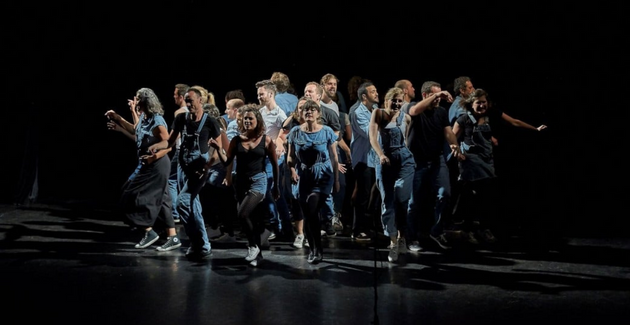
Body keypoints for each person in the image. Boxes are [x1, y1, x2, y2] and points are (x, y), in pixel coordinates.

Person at [148, 87, 223, 261]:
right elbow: (171, 141)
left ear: (200, 101)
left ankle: (196, 241)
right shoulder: (181, 118)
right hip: (183, 166)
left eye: (191, 100)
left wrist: (207, 166)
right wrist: (157, 146)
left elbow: (219, 151)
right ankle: (202, 245)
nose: (188, 104)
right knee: (193, 206)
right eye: (186, 101)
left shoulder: (210, 121)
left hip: (199, 168)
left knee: (182, 202)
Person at [105, 88, 181, 252]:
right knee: (164, 202)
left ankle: (148, 231)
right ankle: (172, 237)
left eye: (138, 98)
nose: (135, 100)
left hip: (157, 164)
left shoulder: (157, 120)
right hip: (148, 163)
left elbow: (168, 144)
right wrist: (117, 118)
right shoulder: (145, 118)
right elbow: (135, 130)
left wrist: (154, 156)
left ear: (146, 101)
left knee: (129, 195)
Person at [210, 104, 280, 267]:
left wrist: (276, 186)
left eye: (251, 118)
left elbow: (275, 165)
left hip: (258, 181)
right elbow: (227, 161)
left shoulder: (266, 140)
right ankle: (258, 254)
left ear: (258, 120)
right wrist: (218, 148)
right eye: (245, 118)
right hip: (241, 182)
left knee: (242, 214)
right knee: (252, 218)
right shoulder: (237, 140)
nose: (247, 121)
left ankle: (253, 246)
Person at [405, 81, 462, 251]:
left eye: (440, 97)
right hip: (416, 162)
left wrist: (454, 144)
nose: (439, 100)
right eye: (435, 96)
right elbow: (414, 111)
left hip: (437, 160)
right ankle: (411, 238)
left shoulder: (441, 111)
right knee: (413, 202)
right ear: (425, 95)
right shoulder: (415, 106)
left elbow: (448, 132)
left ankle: (435, 231)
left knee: (445, 194)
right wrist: (438, 95)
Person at [287, 99, 339, 264]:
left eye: (312, 110)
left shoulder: (326, 131)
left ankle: (317, 249)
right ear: (301, 113)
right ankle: (314, 249)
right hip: (304, 176)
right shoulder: (295, 132)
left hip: (322, 175)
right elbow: (291, 156)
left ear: (318, 113)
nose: (308, 112)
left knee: (312, 207)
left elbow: (334, 157)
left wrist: (336, 179)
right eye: (305, 110)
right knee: (309, 215)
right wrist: (292, 169)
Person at [369, 87, 415, 263]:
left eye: (399, 101)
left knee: (401, 195)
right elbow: (373, 137)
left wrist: (405, 154)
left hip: (404, 160)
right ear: (386, 101)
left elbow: (406, 138)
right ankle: (393, 241)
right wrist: (381, 155)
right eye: (393, 100)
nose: (396, 103)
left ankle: (403, 235)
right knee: (388, 202)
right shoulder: (378, 114)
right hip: (385, 161)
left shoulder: (407, 118)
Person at [349, 81, 379, 242]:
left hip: (375, 159)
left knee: (374, 195)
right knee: (363, 195)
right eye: (373, 91)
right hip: (363, 161)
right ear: (364, 96)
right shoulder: (357, 112)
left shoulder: (375, 110)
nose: (377, 93)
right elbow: (371, 133)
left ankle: (370, 226)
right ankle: (357, 229)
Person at [281, 96, 308, 248]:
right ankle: (300, 234)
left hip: (310, 166)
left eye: (306, 107)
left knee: (310, 200)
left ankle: (310, 233)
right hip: (293, 164)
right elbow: (283, 135)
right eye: (300, 107)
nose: (303, 110)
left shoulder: (316, 124)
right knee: (295, 199)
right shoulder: (293, 123)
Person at [168, 83, 190, 224]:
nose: (174, 97)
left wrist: (165, 145)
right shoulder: (192, 110)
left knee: (172, 180)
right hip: (188, 150)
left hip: (180, 149)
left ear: (181, 97)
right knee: (183, 181)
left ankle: (176, 213)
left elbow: (176, 135)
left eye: (175, 95)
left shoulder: (180, 112)